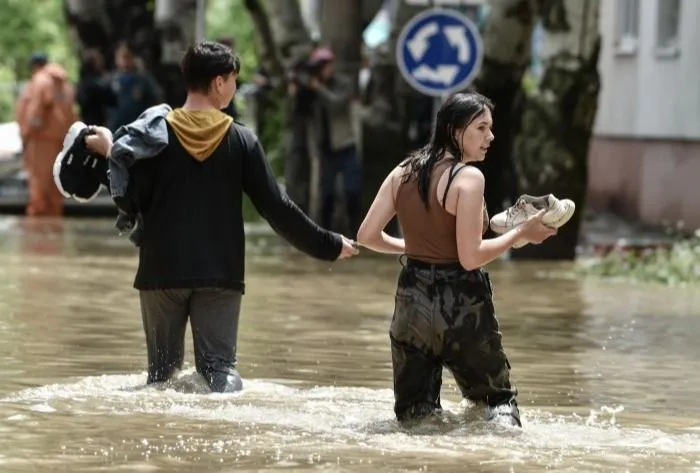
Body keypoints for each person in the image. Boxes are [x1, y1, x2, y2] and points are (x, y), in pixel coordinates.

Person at [79, 41, 358, 393]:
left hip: (160, 272)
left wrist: (110, 152)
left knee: (161, 379)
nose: (234, 88)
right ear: (218, 82)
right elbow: (277, 208)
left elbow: (129, 200)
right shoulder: (241, 140)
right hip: (220, 274)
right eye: (233, 81)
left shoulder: (150, 138)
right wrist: (329, 244)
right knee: (219, 370)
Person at [356, 92, 556, 426]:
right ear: (454, 130)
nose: (490, 137)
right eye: (481, 128)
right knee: (497, 404)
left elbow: (367, 237)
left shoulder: (403, 171)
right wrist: (523, 234)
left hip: (410, 303)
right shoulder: (469, 178)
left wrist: (415, 248)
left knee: (415, 416)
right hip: (461, 305)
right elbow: (470, 257)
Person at [15, 53, 76, 217]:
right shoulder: (65, 85)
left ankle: (37, 233)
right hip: (61, 139)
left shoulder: (40, 81)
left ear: (34, 67)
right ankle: (54, 227)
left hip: (41, 140)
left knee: (38, 184)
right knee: (55, 183)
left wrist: (26, 134)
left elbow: (35, 111)